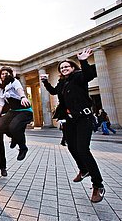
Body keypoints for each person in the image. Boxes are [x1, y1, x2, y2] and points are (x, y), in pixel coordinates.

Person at [40, 48, 105, 203]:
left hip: (84, 118)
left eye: (66, 66)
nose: (64, 69)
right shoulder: (63, 82)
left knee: (83, 149)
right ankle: (83, 170)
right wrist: (45, 82)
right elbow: (55, 92)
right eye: (61, 68)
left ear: (73, 67)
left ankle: (98, 185)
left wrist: (83, 60)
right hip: (70, 120)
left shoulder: (78, 77)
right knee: (71, 147)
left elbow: (89, 74)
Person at [0, 66, 33, 161]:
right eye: (2, 74)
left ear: (10, 74)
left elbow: (19, 89)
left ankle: (23, 148)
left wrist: (23, 97)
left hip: (24, 110)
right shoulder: (1, 88)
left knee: (14, 127)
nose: (4, 75)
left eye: (6, 73)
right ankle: (14, 136)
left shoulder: (14, 81)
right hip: (13, 111)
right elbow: (0, 103)